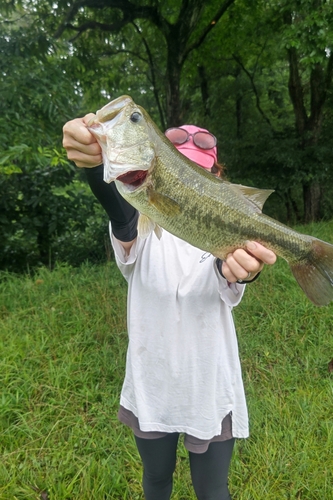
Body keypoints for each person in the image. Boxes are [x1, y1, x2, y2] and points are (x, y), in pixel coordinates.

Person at [63, 114, 277, 500]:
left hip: (209, 387)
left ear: (217, 181)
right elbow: (118, 203)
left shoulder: (229, 232)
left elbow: (230, 273)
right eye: (180, 173)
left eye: (200, 177)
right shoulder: (140, 224)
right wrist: (95, 162)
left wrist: (244, 272)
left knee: (213, 491)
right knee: (156, 482)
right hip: (153, 385)